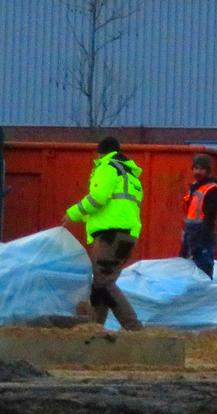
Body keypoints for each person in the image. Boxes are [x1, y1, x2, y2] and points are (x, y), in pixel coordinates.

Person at [65, 136, 144, 330]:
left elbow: (98, 198)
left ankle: (135, 329)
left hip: (110, 235)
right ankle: (94, 328)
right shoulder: (130, 176)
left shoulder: (107, 167)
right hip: (127, 235)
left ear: (100, 153)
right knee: (100, 284)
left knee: (104, 283)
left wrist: (72, 213)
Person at [180, 152, 217, 276]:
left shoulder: (212, 190)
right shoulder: (195, 188)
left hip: (203, 235)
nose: (197, 172)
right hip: (190, 234)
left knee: (204, 268)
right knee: (187, 268)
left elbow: (210, 217)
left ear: (208, 171)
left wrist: (201, 239)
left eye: (201, 168)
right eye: (195, 168)